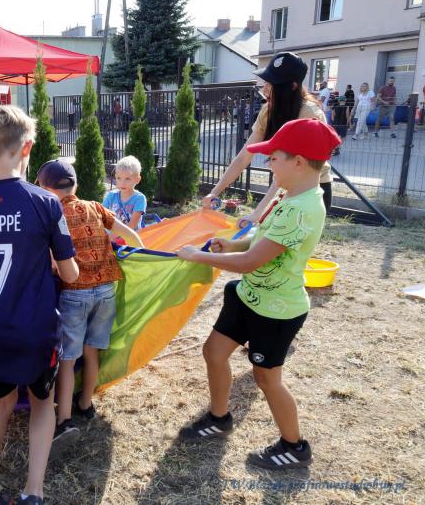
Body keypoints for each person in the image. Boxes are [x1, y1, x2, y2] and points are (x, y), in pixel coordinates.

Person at [177, 118, 341, 470]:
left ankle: (294, 446)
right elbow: (261, 240)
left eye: (274, 157)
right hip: (249, 295)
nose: (268, 163)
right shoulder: (288, 194)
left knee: (267, 378)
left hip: (277, 311)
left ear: (299, 162)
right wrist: (232, 244)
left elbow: (251, 262)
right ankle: (219, 418)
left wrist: (199, 256)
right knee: (214, 352)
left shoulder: (303, 209)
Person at [0, 105, 79, 505]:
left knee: (0, 403)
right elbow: (71, 273)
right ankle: (33, 491)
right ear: (28, 147)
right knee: (43, 403)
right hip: (36, 326)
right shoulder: (46, 203)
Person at [36, 160, 143, 451]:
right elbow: (130, 235)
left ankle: (64, 419)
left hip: (74, 294)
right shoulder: (96, 206)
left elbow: (51, 261)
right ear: (76, 185)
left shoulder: (51, 214)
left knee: (68, 359)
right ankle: (85, 404)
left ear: (46, 189)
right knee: (92, 350)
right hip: (106, 292)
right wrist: (146, 255)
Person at [202, 51, 333, 222]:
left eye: (272, 84)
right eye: (266, 82)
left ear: (293, 86)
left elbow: (290, 169)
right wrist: (215, 192)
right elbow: (244, 157)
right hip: (284, 185)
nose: (265, 89)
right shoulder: (268, 110)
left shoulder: (309, 115)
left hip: (309, 191)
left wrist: (258, 213)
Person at [102, 156, 147, 231]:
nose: (122, 183)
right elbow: (101, 217)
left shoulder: (139, 199)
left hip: (129, 237)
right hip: (111, 235)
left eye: (127, 179)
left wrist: (112, 236)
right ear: (115, 177)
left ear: (137, 179)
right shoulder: (111, 196)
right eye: (119, 178)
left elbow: (132, 226)